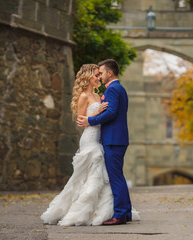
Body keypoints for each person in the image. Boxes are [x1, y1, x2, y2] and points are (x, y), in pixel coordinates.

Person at [41, 64, 113, 226]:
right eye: (95, 75)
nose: (98, 78)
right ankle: (79, 211)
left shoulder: (98, 93)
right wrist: (98, 112)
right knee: (88, 173)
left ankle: (100, 209)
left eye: (98, 75)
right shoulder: (83, 96)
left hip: (99, 137)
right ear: (87, 77)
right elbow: (81, 121)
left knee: (99, 174)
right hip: (89, 138)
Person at [77, 59, 136, 225]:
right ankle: (126, 212)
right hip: (115, 139)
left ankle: (120, 214)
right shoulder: (117, 88)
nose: (100, 76)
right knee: (118, 177)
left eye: (101, 73)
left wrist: (89, 120)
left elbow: (110, 113)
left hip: (113, 140)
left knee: (115, 178)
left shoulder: (113, 89)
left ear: (110, 73)